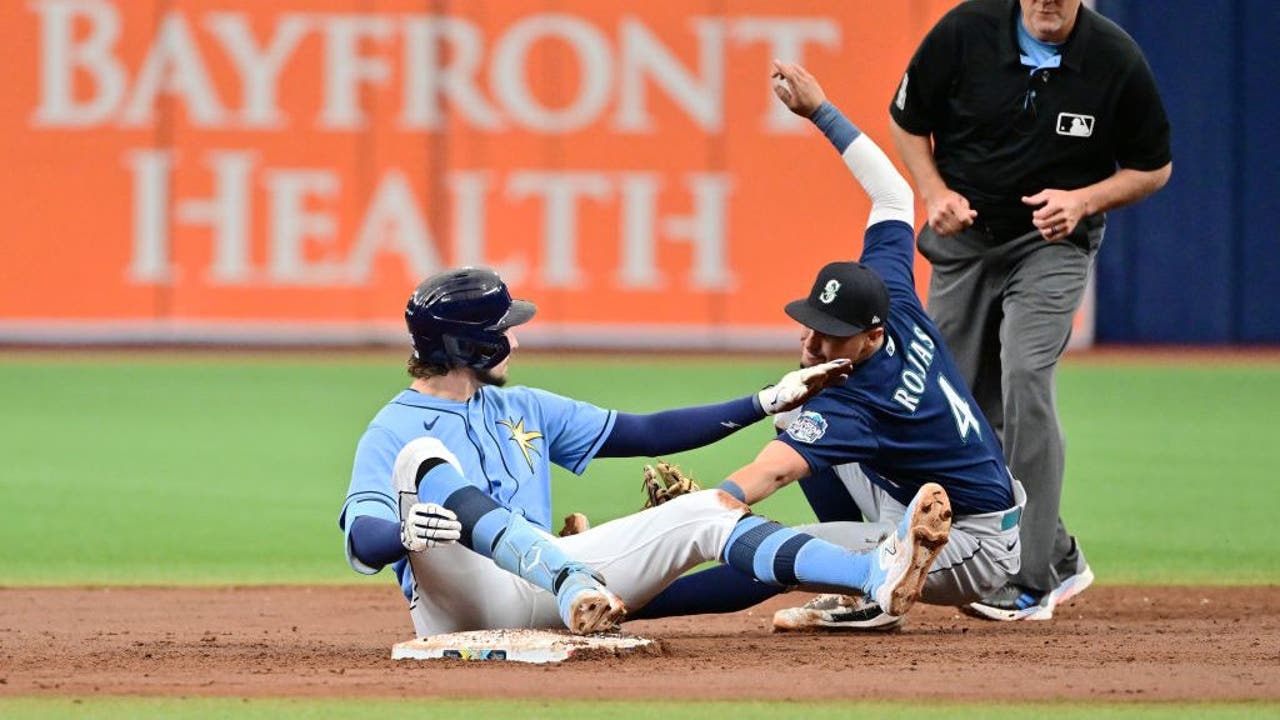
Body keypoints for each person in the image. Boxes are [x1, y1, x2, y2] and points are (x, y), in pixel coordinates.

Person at [338, 265, 951, 637]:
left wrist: (767, 400)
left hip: (547, 590)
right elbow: (364, 541)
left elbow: (649, 433)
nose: (515, 338)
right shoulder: (395, 428)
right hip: (462, 604)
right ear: (470, 346)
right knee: (423, 460)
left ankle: (872, 575)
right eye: (502, 330)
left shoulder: (519, 405)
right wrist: (405, 532)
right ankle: (570, 580)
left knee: (705, 512)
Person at [631, 60, 1026, 632]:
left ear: (871, 335)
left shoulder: (857, 401)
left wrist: (704, 509)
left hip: (969, 542)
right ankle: (859, 585)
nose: (814, 341)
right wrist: (820, 111)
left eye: (831, 332)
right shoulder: (894, 300)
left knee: (781, 552)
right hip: (932, 499)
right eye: (811, 322)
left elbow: (770, 475)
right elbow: (892, 191)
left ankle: (639, 605)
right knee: (793, 411)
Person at [888, 0, 1172, 620]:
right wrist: (933, 192)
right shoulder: (965, 31)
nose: (1048, 0)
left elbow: (1153, 167)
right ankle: (1062, 551)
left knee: (1024, 375)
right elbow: (906, 119)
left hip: (1052, 243)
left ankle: (1030, 578)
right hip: (964, 239)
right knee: (958, 405)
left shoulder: (1113, 58)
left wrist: (1085, 199)